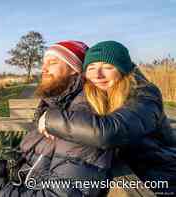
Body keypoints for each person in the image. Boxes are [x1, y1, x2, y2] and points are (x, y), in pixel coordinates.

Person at [0, 40, 117, 197]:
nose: (43, 68)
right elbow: (37, 163)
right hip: (27, 180)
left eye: (52, 62)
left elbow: (61, 191)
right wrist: (5, 167)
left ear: (74, 70)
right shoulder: (55, 106)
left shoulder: (83, 117)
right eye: (43, 63)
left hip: (36, 190)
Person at [41, 40, 176, 194]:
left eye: (107, 67)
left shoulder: (144, 93)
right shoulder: (96, 92)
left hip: (159, 173)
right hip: (124, 171)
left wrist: (50, 119)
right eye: (91, 68)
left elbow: (110, 132)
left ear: (123, 69)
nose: (98, 75)